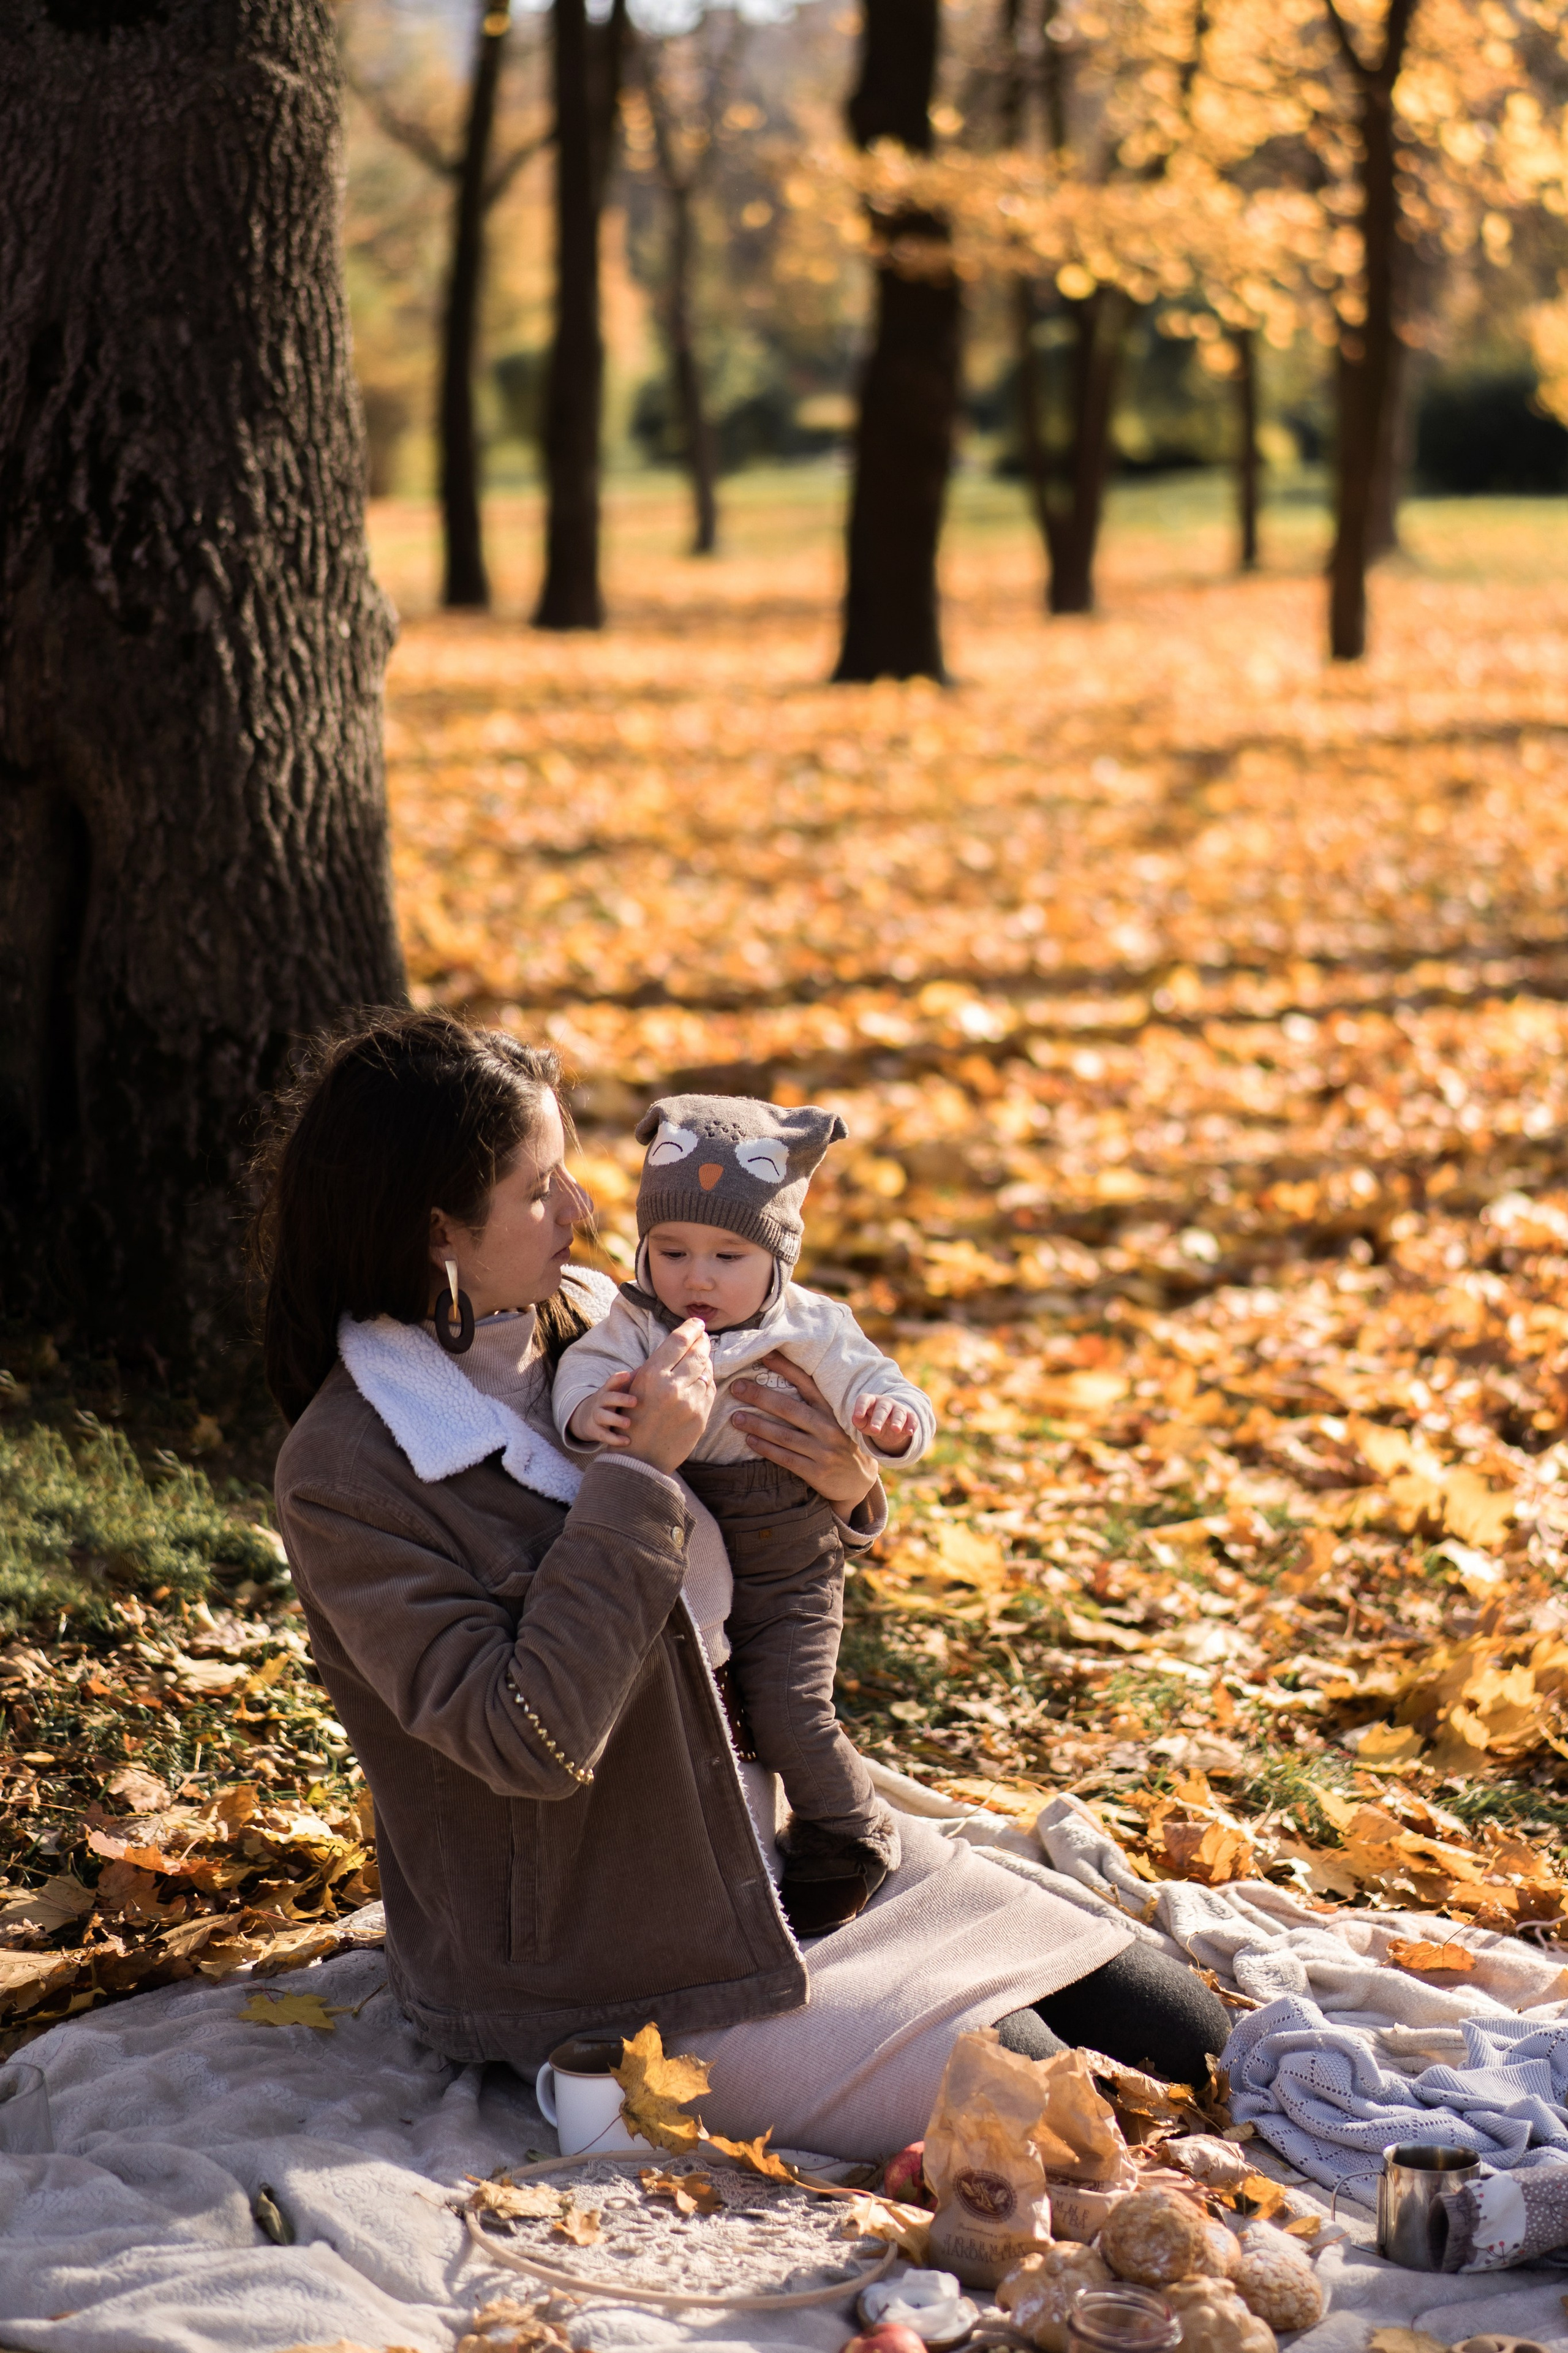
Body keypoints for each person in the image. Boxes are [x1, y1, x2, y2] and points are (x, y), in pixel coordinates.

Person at [261, 1010, 1229, 2161]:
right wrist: (631, 1473)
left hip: (769, 1831)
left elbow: (748, 1532)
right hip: (604, 1944)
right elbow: (523, 1740)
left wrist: (842, 1483)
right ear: (439, 1233)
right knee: (1041, 2103)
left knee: (1188, 2030)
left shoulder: (591, 1318)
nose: (582, 1211)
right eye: (540, 1188)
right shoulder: (352, 1469)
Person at [552, 1092, 936, 1938]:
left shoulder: (807, 1327)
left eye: (729, 1254)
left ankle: (849, 1829)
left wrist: (890, 1423)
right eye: (675, 1249)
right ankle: (742, 1860)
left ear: (777, 1260)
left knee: (794, 1709)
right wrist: (589, 1413)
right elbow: (579, 1374)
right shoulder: (634, 1322)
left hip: (795, 1551)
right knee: (743, 1715)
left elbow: (878, 1382)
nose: (697, 1277)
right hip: (701, 1550)